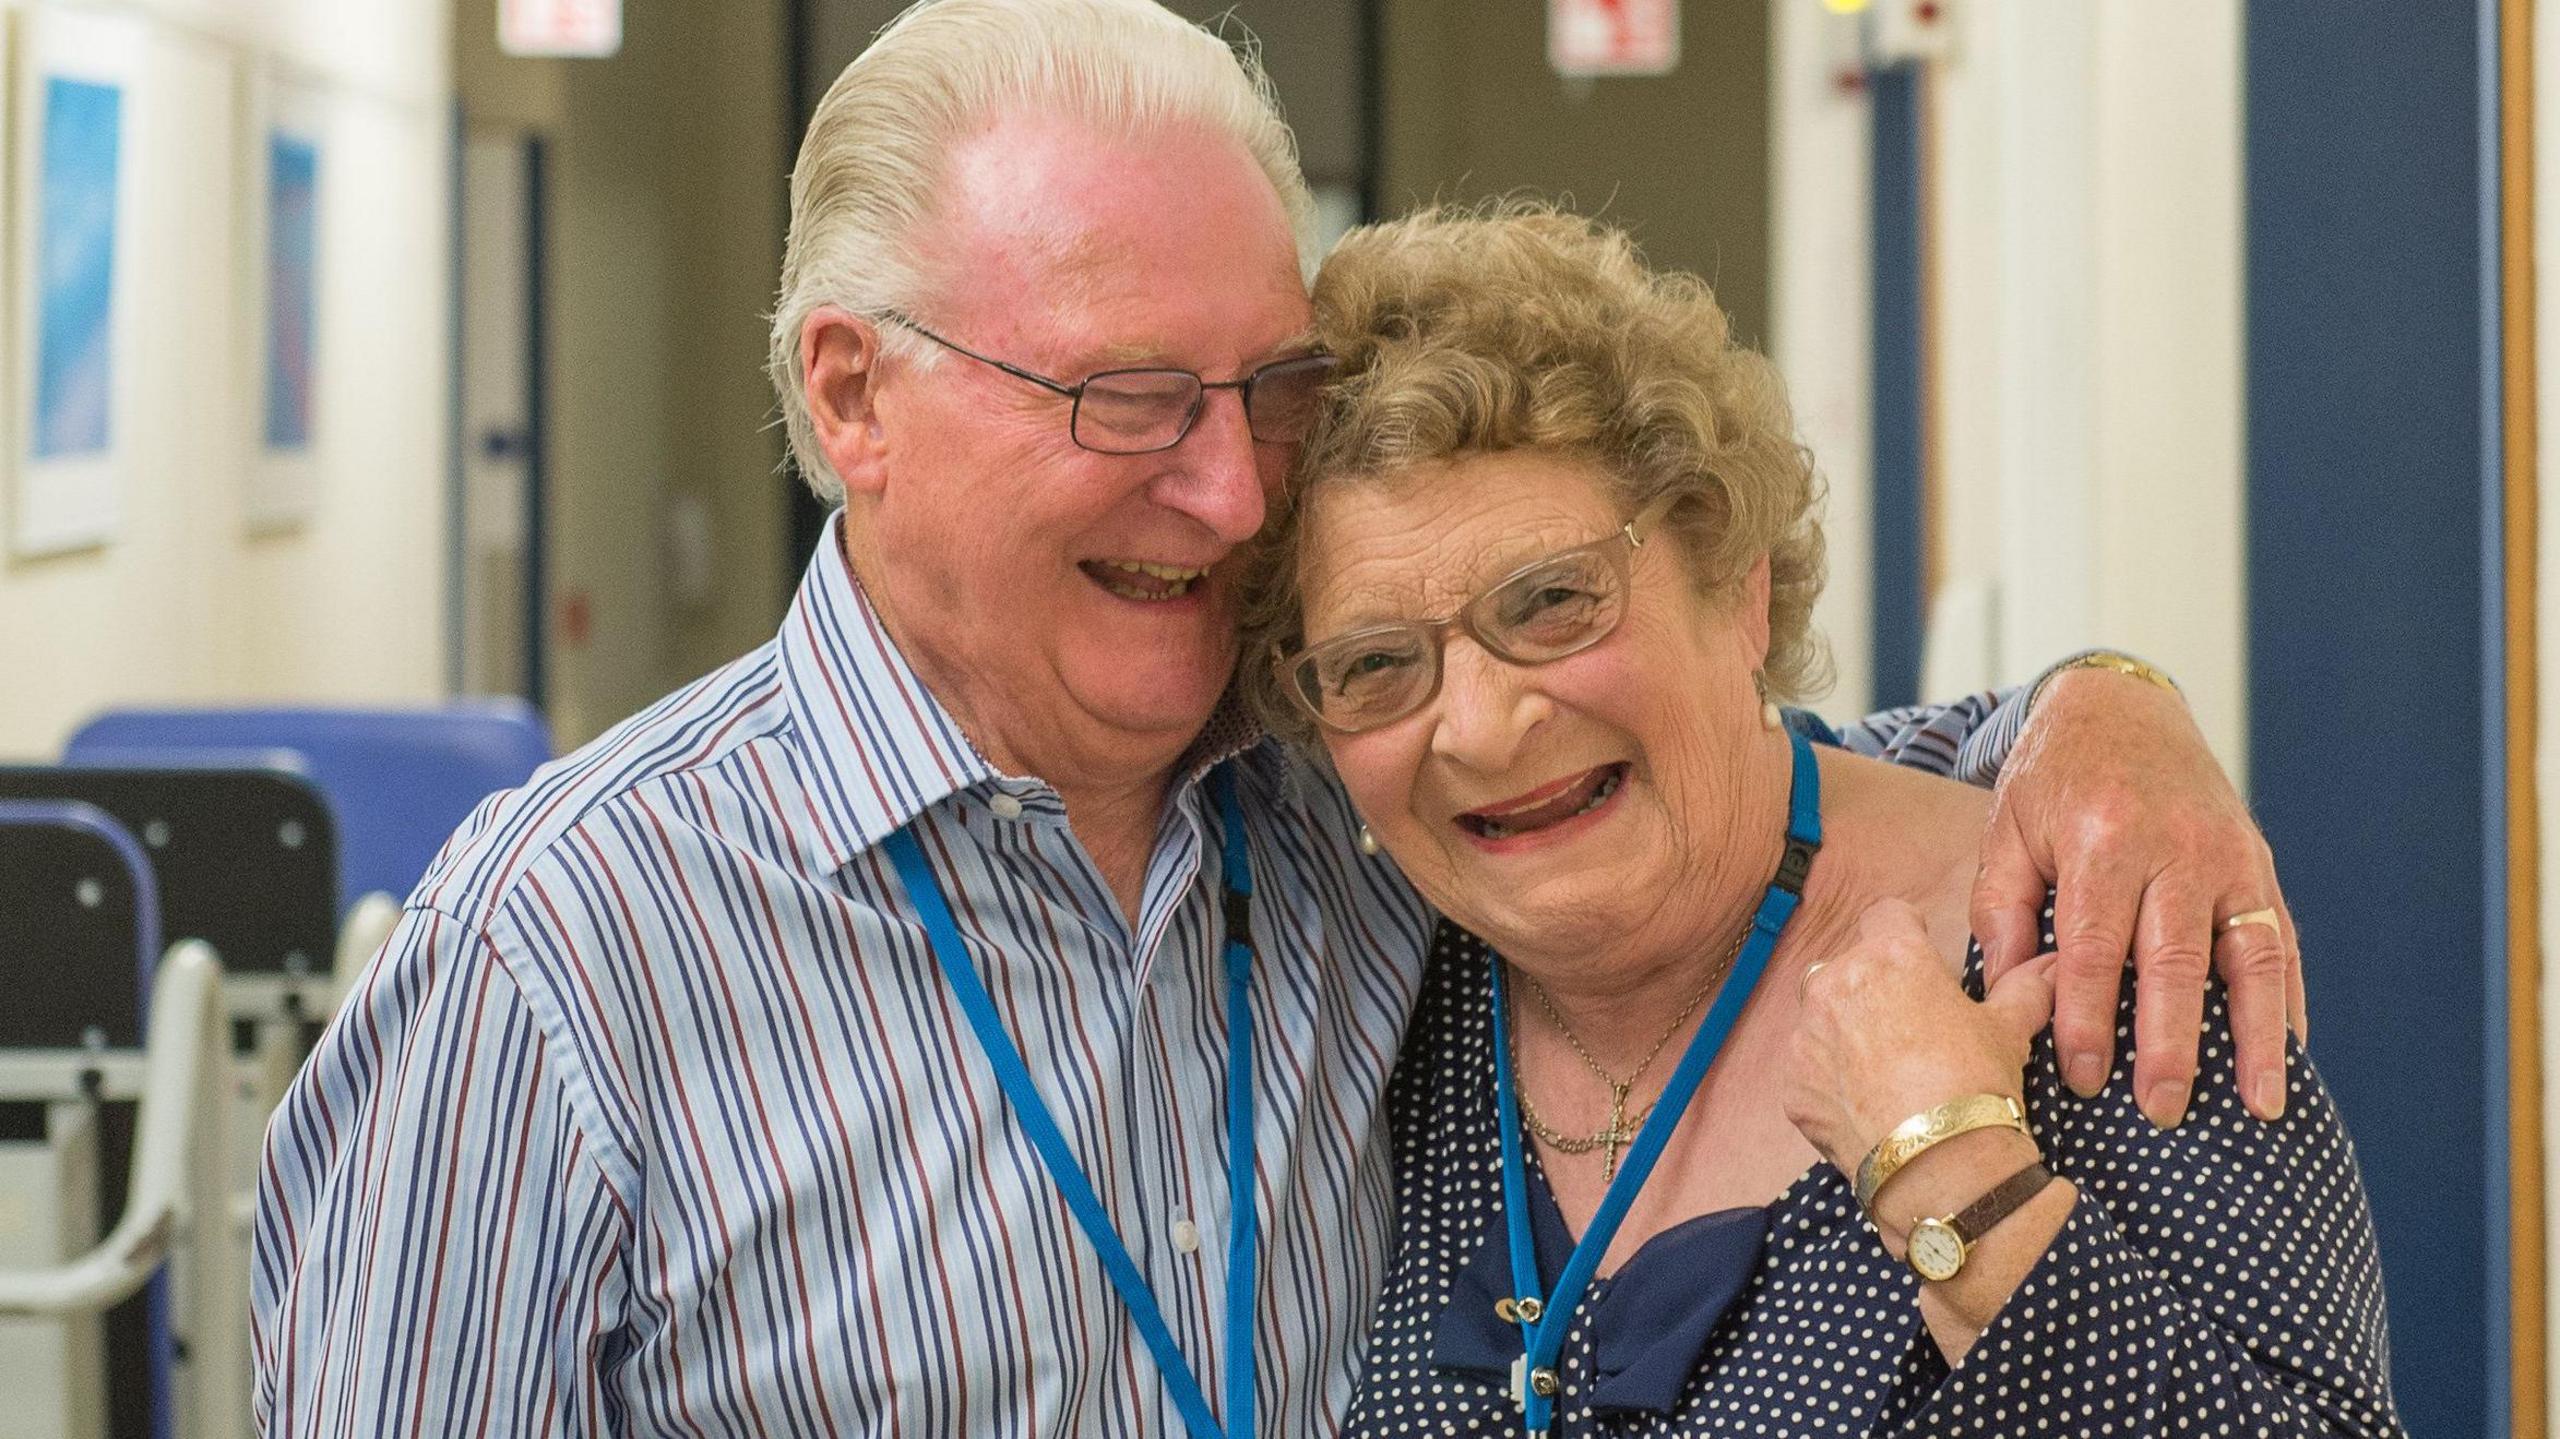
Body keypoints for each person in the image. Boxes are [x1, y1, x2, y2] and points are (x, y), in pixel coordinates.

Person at [251, 2, 2305, 1433]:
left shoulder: (1340, 786)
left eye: (1268, 394)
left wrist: (2094, 713)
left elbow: (1716, 762)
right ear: (853, 394)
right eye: (1127, 399)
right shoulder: (557, 957)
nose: (1233, 494)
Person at [1239, 204, 2398, 1436]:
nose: (1475, 725)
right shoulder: (1372, 1011)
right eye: (1374, 665)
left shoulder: (2078, 942)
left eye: (1552, 600)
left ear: (1735, 584)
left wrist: (1952, 1172)